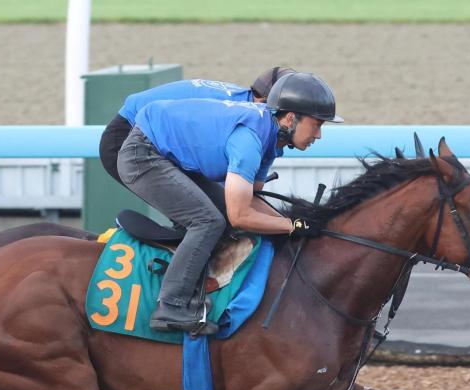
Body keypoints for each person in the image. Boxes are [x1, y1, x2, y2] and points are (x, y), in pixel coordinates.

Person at [115, 72, 343, 335]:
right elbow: (240, 215)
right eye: (317, 124)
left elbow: (252, 199)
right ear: (291, 118)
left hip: (166, 153)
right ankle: (170, 305)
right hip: (142, 155)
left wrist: (293, 226)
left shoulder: (271, 140)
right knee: (207, 221)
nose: (319, 135)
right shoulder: (250, 141)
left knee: (219, 214)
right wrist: (291, 225)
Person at [99, 67, 296, 186]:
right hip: (127, 136)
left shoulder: (247, 106)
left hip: (140, 129)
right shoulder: (244, 115)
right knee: (195, 213)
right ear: (264, 102)